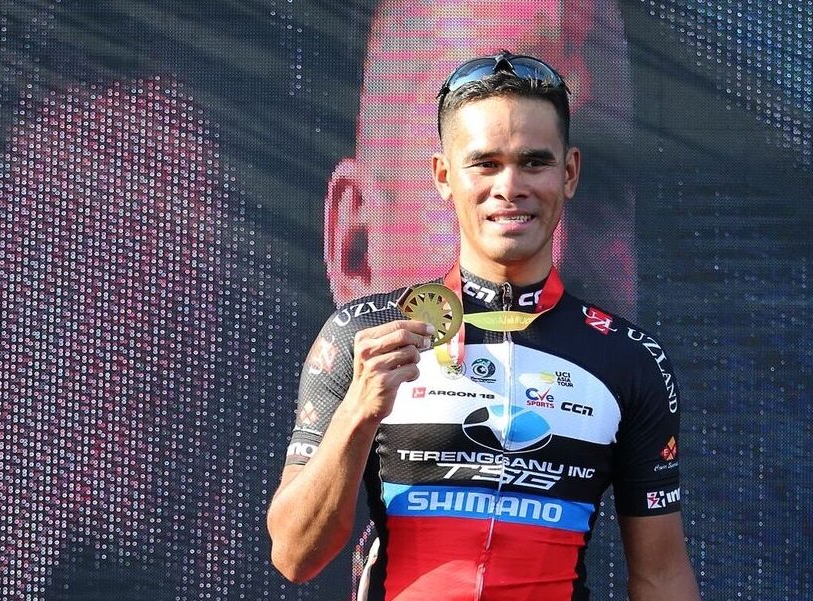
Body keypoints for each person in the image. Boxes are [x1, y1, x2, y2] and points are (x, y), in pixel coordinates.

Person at [267, 51, 700, 600]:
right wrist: (359, 412)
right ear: (444, 176)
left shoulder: (630, 359)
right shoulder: (364, 334)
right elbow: (294, 556)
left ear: (569, 173)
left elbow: (662, 575)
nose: (510, 186)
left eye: (534, 162)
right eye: (486, 163)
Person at [322, 0, 639, 320]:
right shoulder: (340, 347)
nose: (555, 251)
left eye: (595, 188)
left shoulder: (637, 350)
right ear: (356, 250)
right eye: (485, 167)